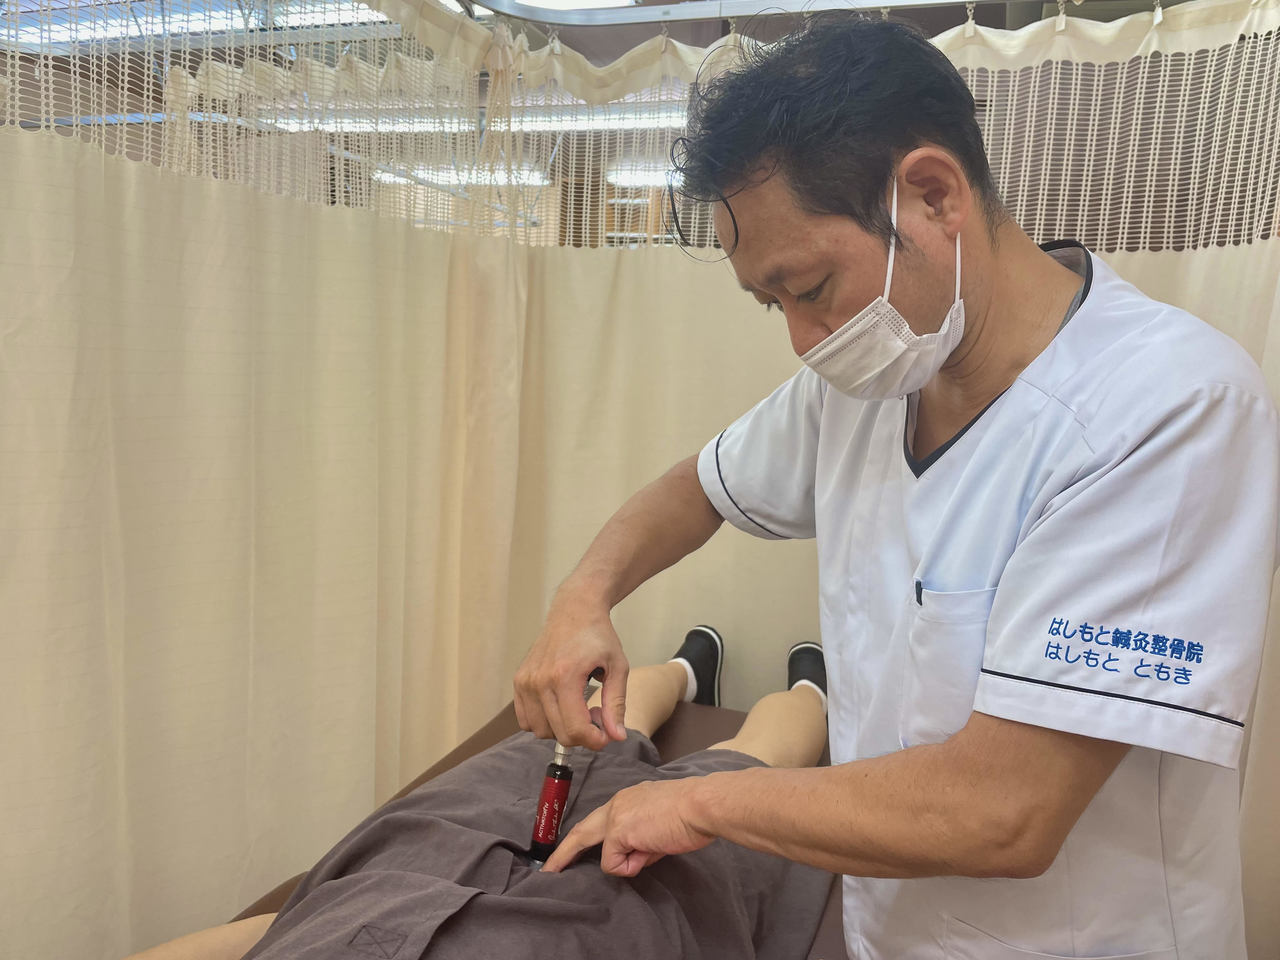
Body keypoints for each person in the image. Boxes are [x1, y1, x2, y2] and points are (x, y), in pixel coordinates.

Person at [516, 14, 1280, 960]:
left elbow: (1005, 811)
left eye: (809, 288)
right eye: (770, 302)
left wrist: (698, 800)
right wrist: (581, 598)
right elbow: (697, 488)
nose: (803, 341)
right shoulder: (868, 380)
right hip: (890, 928)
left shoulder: (1169, 407)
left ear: (933, 194)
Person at [122, 629, 833, 960]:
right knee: (743, 771)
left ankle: (679, 673)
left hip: (403, 874)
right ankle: (812, 693)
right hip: (601, 921)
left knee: (586, 732)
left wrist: (312, 909)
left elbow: (270, 931)